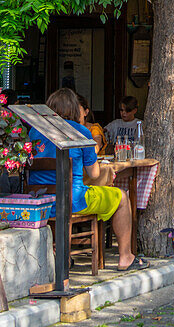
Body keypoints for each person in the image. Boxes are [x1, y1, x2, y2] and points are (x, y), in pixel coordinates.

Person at [28, 88, 146, 271]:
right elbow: (95, 174)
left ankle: (61, 256)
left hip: (39, 201)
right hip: (72, 200)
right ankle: (125, 257)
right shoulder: (80, 131)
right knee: (121, 197)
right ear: (76, 109)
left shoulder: (34, 132)